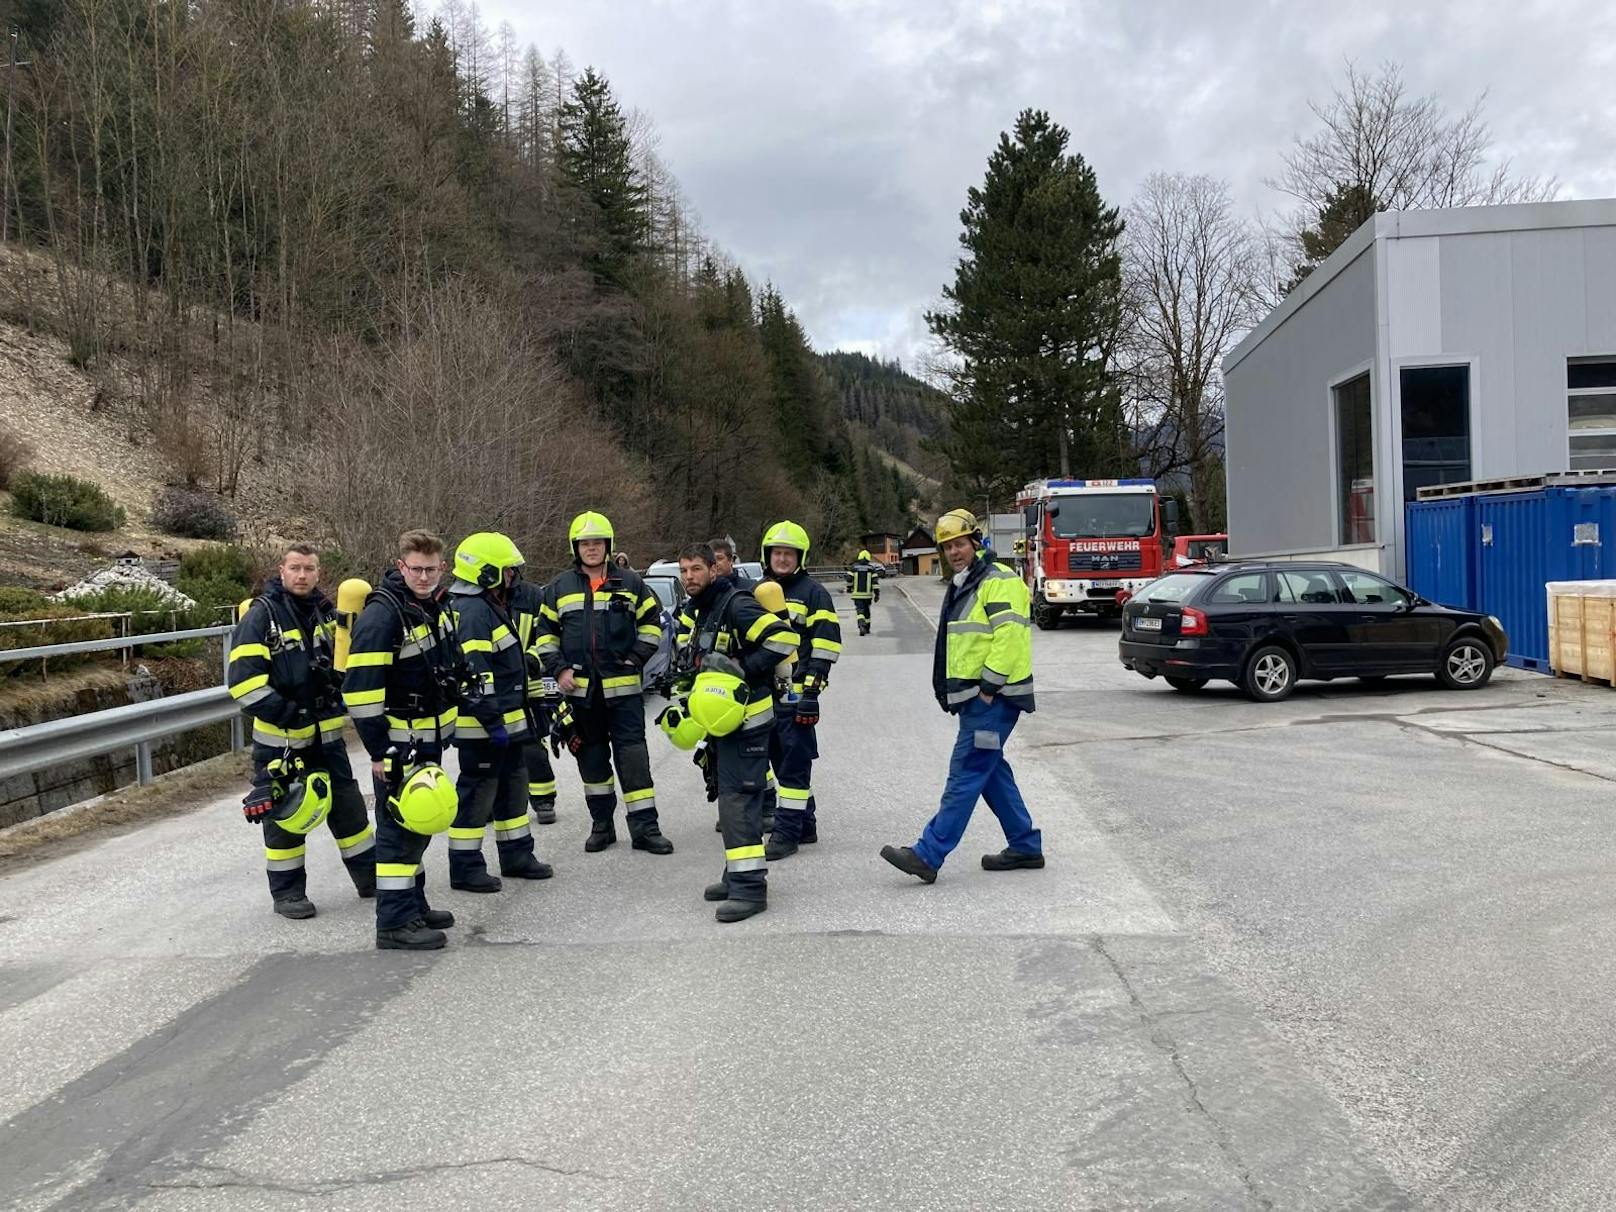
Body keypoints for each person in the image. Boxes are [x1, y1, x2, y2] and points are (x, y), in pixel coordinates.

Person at [880, 509, 1043, 883]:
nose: (954, 552)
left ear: (976, 543)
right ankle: (1025, 845)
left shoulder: (998, 580)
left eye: (960, 544)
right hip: (978, 700)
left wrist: (988, 688)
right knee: (989, 772)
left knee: (966, 773)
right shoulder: (967, 582)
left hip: (994, 700)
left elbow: (1010, 638)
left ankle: (928, 853)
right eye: (947, 547)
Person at [228, 543, 375, 918]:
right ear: (282, 570)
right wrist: (289, 713)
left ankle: (370, 879)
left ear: (318, 573)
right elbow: (243, 684)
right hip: (282, 745)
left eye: (309, 568)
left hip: (328, 741)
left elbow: (346, 663)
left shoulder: (328, 615)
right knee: (285, 821)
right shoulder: (262, 616)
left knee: (351, 813)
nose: (302, 575)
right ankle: (288, 895)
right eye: (295, 567)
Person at [341, 530, 461, 950]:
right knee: (397, 830)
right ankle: (393, 923)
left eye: (431, 569)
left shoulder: (430, 607)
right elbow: (359, 691)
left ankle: (413, 905)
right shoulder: (383, 615)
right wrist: (380, 751)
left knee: (418, 826)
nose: (424, 576)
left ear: (441, 568)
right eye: (416, 569)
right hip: (398, 746)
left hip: (425, 743)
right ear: (401, 566)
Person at [532, 511, 673, 855]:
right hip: (581, 694)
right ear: (575, 547)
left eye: (597, 543)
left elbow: (654, 623)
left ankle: (645, 830)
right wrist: (559, 670)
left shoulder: (631, 583)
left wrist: (635, 658)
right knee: (592, 762)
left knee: (634, 761)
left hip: (623, 694)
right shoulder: (559, 588)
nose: (591, 549)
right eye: (585, 543)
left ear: (608, 546)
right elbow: (544, 635)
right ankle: (602, 826)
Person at [677, 543, 798, 921]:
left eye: (696, 569)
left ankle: (750, 890)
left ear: (714, 569)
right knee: (729, 799)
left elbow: (784, 640)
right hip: (724, 722)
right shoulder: (703, 610)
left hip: (748, 721)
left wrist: (743, 667)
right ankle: (735, 875)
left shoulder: (736, 604)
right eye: (683, 571)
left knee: (740, 802)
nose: (689, 577)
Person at [445, 532, 555, 891]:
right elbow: (476, 674)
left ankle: (517, 855)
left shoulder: (488, 604)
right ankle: (465, 867)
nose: (513, 577)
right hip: (482, 726)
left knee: (513, 788)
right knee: (477, 796)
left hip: (505, 721)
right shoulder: (473, 610)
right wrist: (493, 723)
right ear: (486, 572)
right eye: (507, 571)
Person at [758, 520, 841, 861]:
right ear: (768, 555)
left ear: (800, 557)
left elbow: (825, 645)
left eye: (788, 553)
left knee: (794, 763)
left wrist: (811, 693)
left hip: (797, 693)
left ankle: (787, 833)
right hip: (765, 693)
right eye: (777, 553)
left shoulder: (813, 593)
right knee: (779, 759)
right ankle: (805, 823)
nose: (782, 559)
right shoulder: (758, 590)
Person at [508, 573, 560, 827]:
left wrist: (529, 660)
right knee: (490, 748)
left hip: (529, 686)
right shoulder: (473, 600)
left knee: (531, 745)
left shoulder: (532, 596)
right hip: (490, 690)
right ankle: (491, 804)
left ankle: (543, 800)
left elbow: (547, 637)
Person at [847, 548, 881, 636]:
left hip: (857, 595)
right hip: (868, 596)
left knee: (860, 611)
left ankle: (861, 625)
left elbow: (849, 579)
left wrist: (849, 588)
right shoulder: (871, 569)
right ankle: (867, 628)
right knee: (867, 611)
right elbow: (875, 583)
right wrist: (877, 594)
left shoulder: (854, 568)